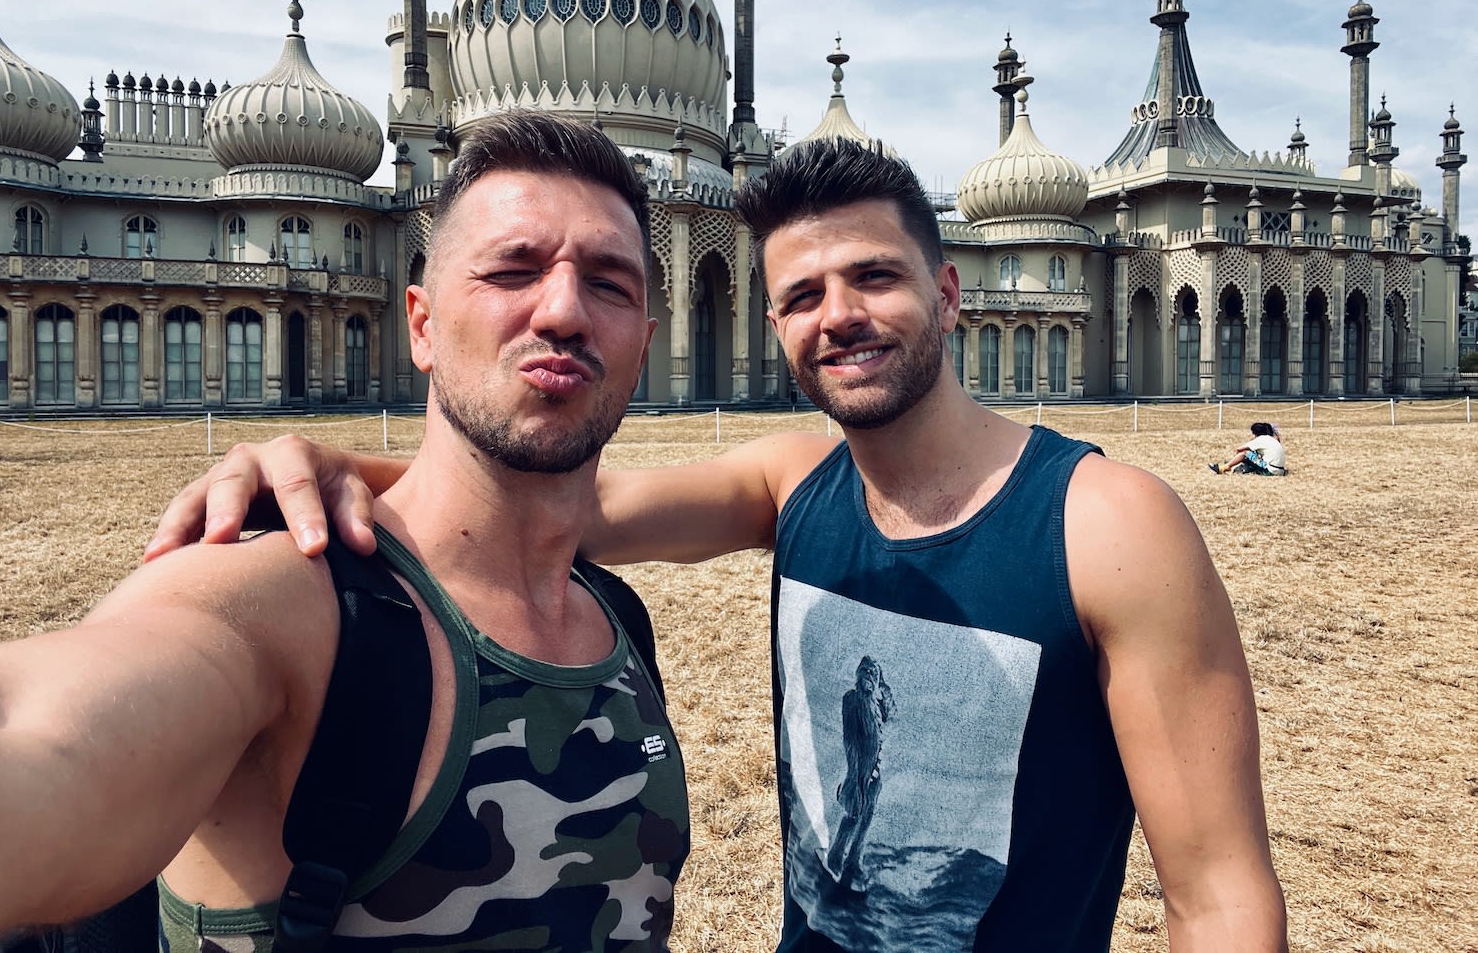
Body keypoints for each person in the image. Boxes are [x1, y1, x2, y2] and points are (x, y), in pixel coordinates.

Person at [149, 138, 1288, 951]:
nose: (836, 314)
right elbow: (554, 510)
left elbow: (1222, 896)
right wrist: (327, 469)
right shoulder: (795, 485)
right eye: (800, 295)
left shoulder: (1105, 521)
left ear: (947, 294)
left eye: (874, 277)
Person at [0, 111, 690, 950]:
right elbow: (36, 740)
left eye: (609, 282)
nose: (564, 309)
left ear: (643, 347)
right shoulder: (289, 604)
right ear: (422, 324)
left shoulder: (617, 623)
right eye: (512, 270)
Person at [826, 656, 894, 887]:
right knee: (852, 814)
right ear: (857, 674)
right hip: (858, 769)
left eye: (872, 673)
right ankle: (835, 858)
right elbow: (849, 739)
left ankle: (853, 862)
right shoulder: (852, 699)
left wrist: (882, 684)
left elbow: (891, 712)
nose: (867, 675)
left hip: (875, 772)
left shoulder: (876, 704)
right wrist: (855, 773)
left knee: (866, 818)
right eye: (864, 671)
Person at [1209, 422, 1288, 476]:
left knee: (1245, 453)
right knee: (1253, 457)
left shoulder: (1260, 439)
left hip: (1271, 471)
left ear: (1255, 433)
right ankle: (1235, 466)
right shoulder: (1271, 439)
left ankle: (1224, 468)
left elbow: (1239, 450)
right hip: (1280, 470)